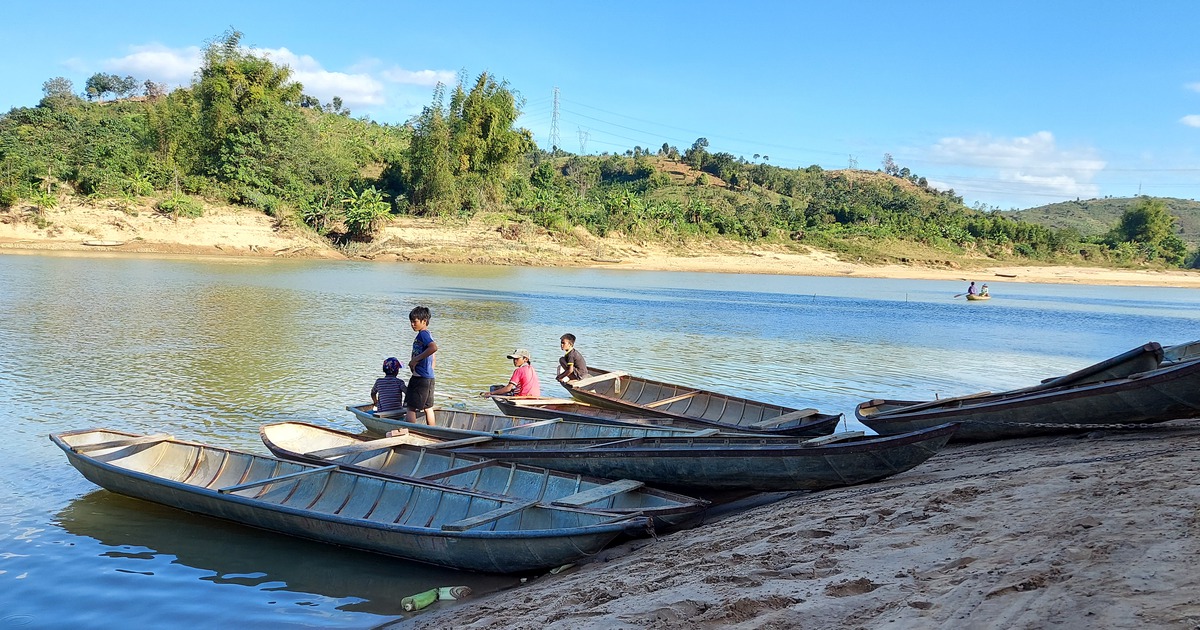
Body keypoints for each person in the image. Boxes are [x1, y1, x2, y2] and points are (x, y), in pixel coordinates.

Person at [406, 306, 438, 426]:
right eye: (411, 322)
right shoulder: (427, 334)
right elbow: (433, 355)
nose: (412, 324)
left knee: (410, 407)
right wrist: (431, 369)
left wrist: (415, 360)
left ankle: (411, 431)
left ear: (424, 321)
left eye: (415, 321)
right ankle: (433, 430)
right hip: (428, 378)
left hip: (420, 378)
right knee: (428, 407)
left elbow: (433, 348)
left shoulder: (423, 334)